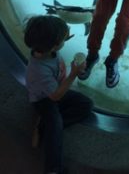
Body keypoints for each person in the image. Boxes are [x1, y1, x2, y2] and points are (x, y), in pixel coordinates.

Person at [24, 15, 93, 174]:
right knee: (55, 127)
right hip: (44, 100)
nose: (66, 39)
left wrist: (62, 37)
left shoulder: (43, 48)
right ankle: (53, 169)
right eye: (63, 39)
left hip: (55, 89)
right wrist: (73, 74)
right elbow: (55, 97)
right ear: (54, 46)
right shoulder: (39, 70)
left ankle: (43, 127)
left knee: (86, 105)